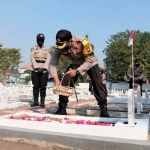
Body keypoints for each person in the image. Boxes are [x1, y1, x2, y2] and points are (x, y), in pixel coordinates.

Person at [49, 29, 109, 117]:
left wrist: (77, 71)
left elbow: (89, 60)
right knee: (65, 81)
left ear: (71, 41)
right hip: (76, 63)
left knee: (97, 84)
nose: (62, 48)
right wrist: (56, 80)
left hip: (90, 63)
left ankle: (104, 110)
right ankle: (62, 108)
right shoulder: (59, 46)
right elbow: (52, 64)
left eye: (64, 45)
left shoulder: (83, 42)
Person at [30, 33, 51, 107]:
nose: (40, 41)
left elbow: (48, 59)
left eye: (42, 40)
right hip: (35, 69)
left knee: (43, 86)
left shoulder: (47, 49)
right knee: (35, 86)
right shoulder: (33, 48)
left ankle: (42, 102)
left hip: (44, 70)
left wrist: (44, 67)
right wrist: (36, 67)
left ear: (44, 40)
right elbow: (32, 58)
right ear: (37, 40)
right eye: (39, 40)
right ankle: (35, 101)